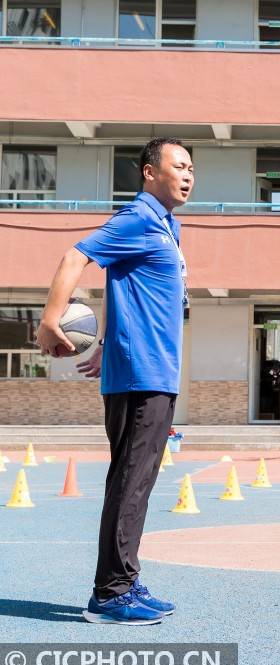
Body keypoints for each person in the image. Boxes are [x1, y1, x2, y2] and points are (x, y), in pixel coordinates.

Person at [36, 138, 192, 625]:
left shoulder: (168, 225)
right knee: (129, 483)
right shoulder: (139, 217)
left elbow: (127, 286)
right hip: (140, 374)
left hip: (155, 371)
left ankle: (124, 578)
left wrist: (103, 343)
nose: (188, 174)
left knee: (138, 484)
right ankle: (110, 594)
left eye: (192, 167)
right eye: (178, 166)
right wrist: (50, 319)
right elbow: (74, 257)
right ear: (150, 172)